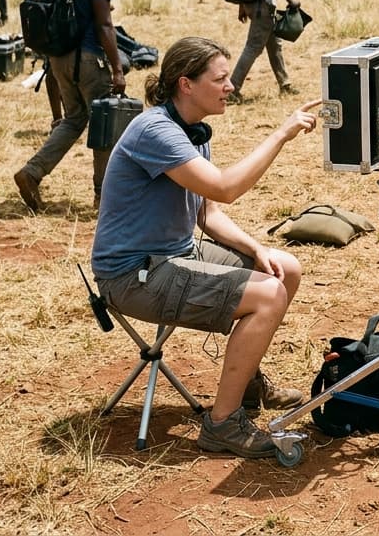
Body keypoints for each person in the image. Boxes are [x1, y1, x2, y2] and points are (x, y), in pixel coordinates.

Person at [91, 36, 316, 457]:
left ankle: (246, 386)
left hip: (172, 257)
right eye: (221, 78)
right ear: (186, 84)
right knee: (268, 296)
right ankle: (222, 426)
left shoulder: (192, 130)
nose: (231, 86)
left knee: (284, 269)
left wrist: (255, 249)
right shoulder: (155, 130)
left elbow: (207, 214)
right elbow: (225, 189)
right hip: (133, 274)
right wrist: (280, 134)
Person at [14, 0, 125, 213]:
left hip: (59, 59)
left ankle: (32, 172)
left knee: (74, 119)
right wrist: (117, 68)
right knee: (105, 126)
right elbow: (105, 25)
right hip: (89, 59)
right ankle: (104, 196)